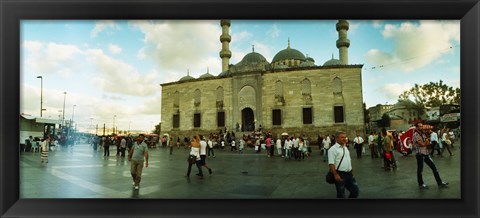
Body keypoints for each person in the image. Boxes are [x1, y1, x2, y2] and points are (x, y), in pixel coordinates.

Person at [413, 123, 449, 189]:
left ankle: (440, 183)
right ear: (417, 127)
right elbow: (422, 144)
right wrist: (426, 142)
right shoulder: (416, 134)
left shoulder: (423, 134)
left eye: (422, 126)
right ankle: (421, 184)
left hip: (426, 153)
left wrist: (427, 141)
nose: (421, 127)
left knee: (434, 168)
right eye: (420, 126)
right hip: (420, 154)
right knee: (420, 170)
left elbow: (428, 143)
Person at [328, 131, 359, 198]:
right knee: (341, 194)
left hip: (349, 174)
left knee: (355, 191)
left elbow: (348, 160)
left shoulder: (345, 147)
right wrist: (335, 174)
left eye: (345, 137)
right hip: (340, 174)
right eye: (342, 137)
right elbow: (331, 164)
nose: (344, 139)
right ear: (336, 138)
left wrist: (351, 170)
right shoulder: (332, 150)